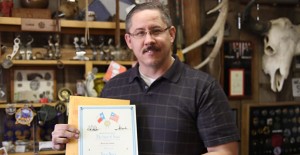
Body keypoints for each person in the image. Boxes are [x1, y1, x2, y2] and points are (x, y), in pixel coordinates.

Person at [52, 2, 240, 155]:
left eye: (156, 31)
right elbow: (96, 143)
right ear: (129, 41)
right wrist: (68, 140)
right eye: (140, 33)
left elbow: (225, 151)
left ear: (171, 34)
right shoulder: (113, 88)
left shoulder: (203, 88)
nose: (149, 40)